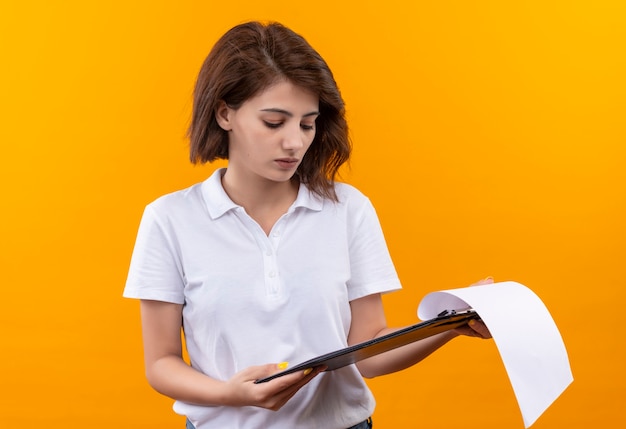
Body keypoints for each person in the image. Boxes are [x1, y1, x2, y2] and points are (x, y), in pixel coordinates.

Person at [123, 21, 492, 429]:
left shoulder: (348, 209)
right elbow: (160, 363)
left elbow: (367, 353)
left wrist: (452, 324)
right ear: (225, 113)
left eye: (307, 123)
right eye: (274, 122)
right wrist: (232, 393)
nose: (295, 142)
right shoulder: (170, 219)